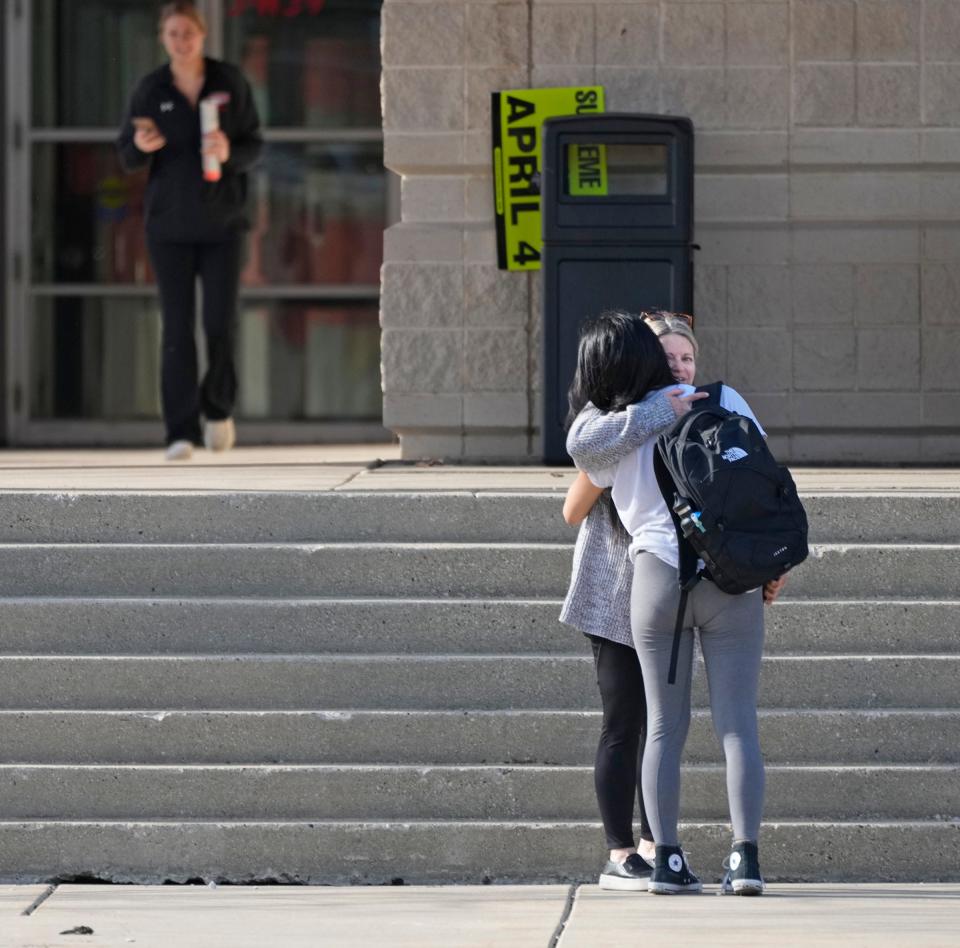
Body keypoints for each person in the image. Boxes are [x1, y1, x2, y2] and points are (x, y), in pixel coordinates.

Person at [562, 310, 778, 896]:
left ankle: (669, 862)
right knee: (738, 726)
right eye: (669, 357)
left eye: (687, 356)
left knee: (662, 726)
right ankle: (745, 860)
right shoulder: (723, 403)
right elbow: (768, 483)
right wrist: (772, 563)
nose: (679, 368)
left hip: (656, 578)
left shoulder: (617, 428)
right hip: (730, 576)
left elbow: (578, 466)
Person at [117, 1, 262, 461]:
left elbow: (255, 144)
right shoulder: (150, 89)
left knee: (219, 323)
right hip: (169, 227)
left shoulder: (229, 83)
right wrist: (140, 146)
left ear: (203, 36)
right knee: (176, 328)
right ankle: (180, 431)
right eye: (174, 34)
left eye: (189, 34)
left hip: (223, 224)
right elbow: (126, 153)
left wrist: (228, 151)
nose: (182, 42)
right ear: (164, 37)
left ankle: (217, 410)